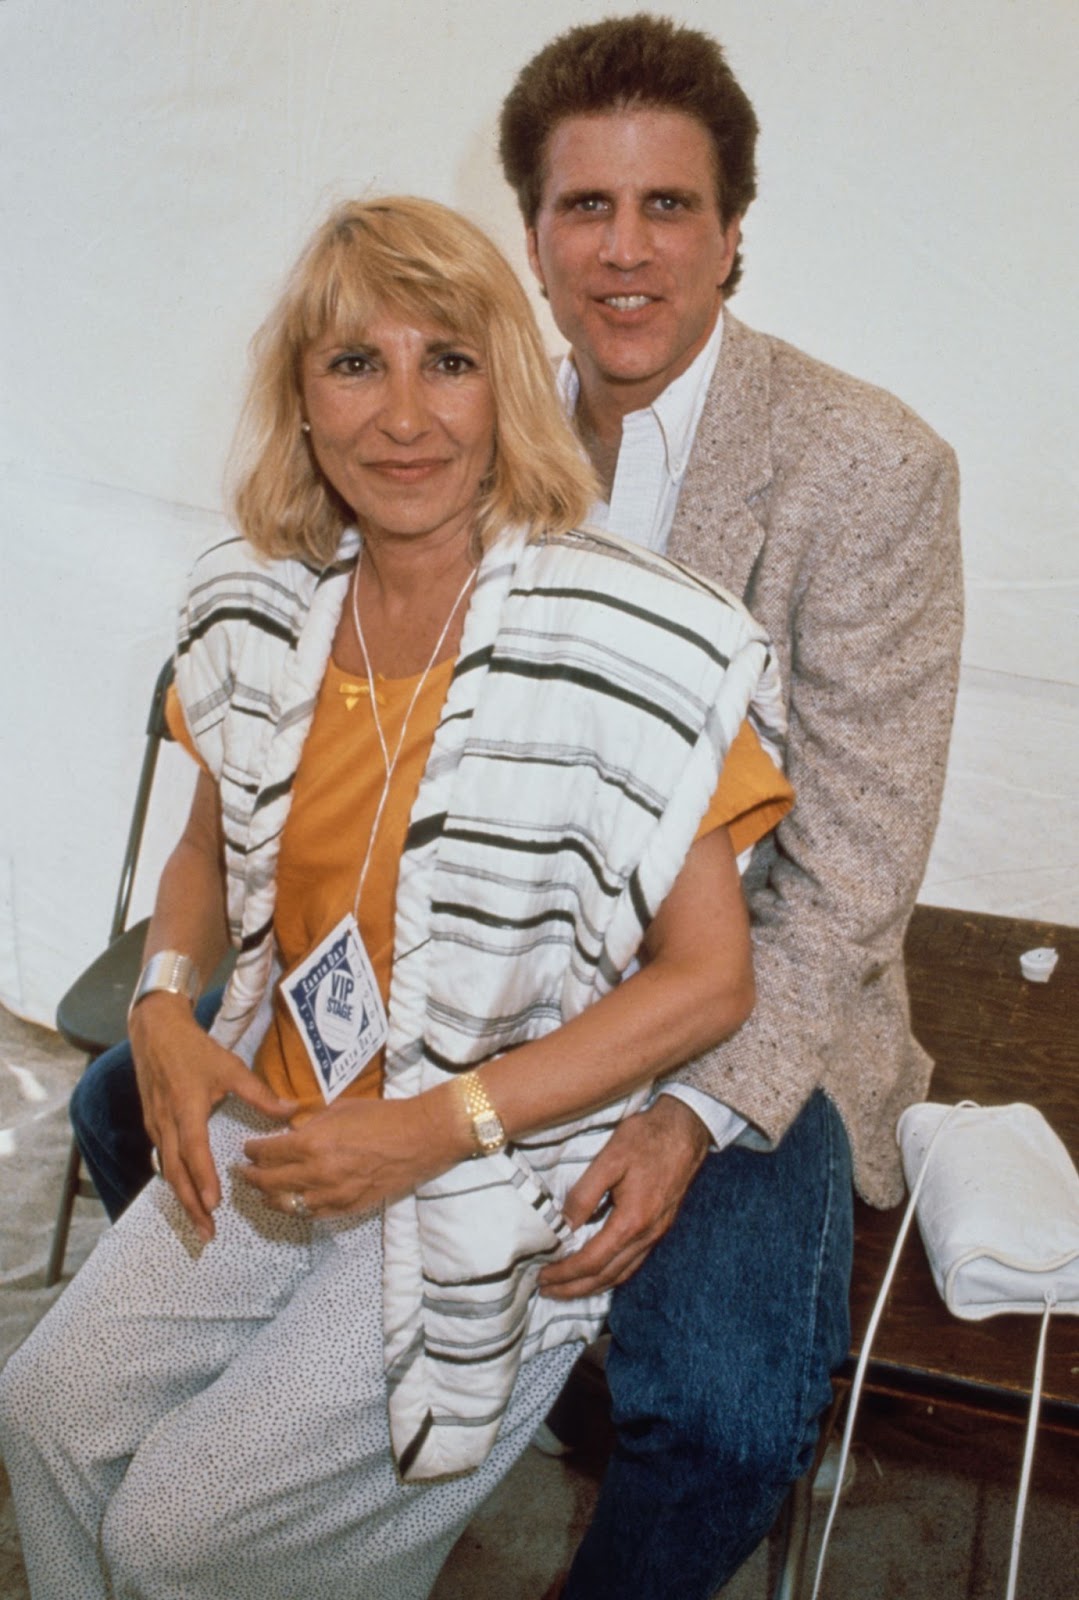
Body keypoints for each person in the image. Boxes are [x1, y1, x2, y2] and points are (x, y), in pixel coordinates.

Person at [0, 195, 791, 1600]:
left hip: (493, 1167)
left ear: (509, 386)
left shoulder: (636, 642)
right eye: (355, 364)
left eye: (451, 360)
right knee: (41, 1415)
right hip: (282, 1132)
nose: (404, 415)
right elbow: (205, 856)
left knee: (179, 1540)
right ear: (300, 402)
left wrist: (437, 1123)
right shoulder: (255, 604)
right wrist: (172, 1013)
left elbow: (710, 980)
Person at [496, 15, 963, 1599]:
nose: (626, 254)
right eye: (586, 208)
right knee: (122, 1111)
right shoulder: (478, 440)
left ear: (733, 235)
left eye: (668, 207)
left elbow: (854, 866)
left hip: (753, 1006)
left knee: (730, 1413)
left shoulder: (868, 465)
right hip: (501, 961)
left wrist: (692, 1112)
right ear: (536, 237)